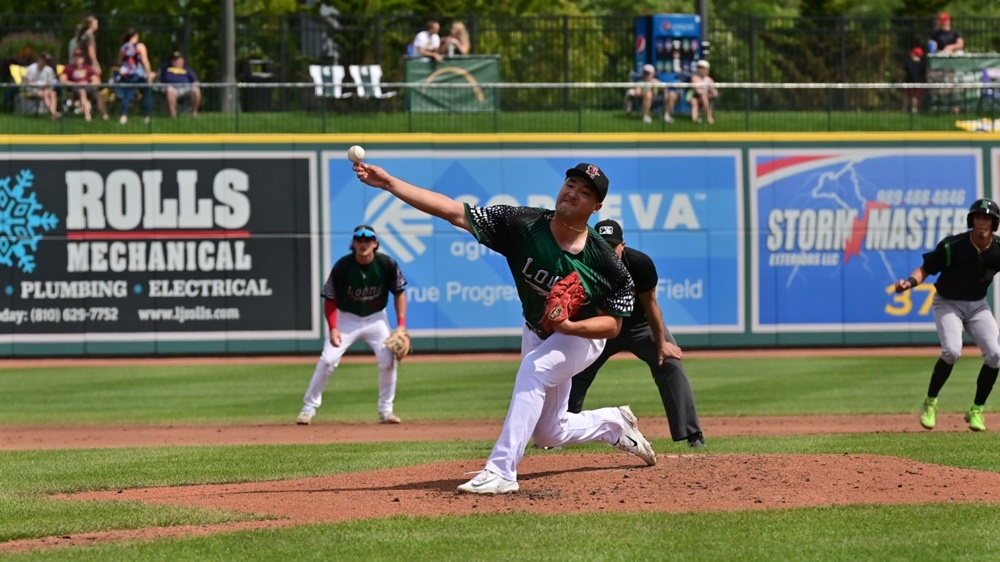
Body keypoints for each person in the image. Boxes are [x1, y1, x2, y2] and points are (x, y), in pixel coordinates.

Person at [353, 160, 656, 495]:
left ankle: (501, 471)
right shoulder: (522, 223)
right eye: (571, 183)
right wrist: (389, 183)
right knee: (549, 433)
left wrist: (568, 326)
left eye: (585, 192)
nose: (573, 192)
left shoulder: (605, 262)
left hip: (582, 336)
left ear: (596, 207)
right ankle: (614, 424)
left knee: (535, 369)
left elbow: (612, 326)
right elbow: (454, 212)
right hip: (537, 329)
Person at [568, 219, 705, 448]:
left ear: (623, 244)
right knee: (573, 370)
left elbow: (651, 306)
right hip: (601, 326)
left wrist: (661, 343)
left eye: (612, 245)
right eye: (601, 244)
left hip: (639, 325)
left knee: (669, 362)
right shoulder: (580, 263)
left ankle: (693, 435)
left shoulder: (639, 264)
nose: (608, 250)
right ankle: (556, 434)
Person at [897, 199, 1000, 433]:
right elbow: (926, 269)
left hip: (977, 306)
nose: (982, 222)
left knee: (995, 355)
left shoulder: (998, 249)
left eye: (987, 218)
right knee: (952, 351)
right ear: (971, 221)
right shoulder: (953, 246)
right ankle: (930, 403)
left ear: (994, 223)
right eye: (978, 217)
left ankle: (977, 409)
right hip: (948, 303)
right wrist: (909, 283)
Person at [296, 225, 408, 426]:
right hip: (346, 318)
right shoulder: (343, 266)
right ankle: (308, 409)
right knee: (328, 360)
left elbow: (399, 292)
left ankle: (386, 410)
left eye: (368, 240)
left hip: (376, 318)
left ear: (375, 244)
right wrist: (333, 327)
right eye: (359, 240)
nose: (363, 244)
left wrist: (401, 326)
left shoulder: (387, 264)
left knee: (388, 360)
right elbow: (330, 298)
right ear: (354, 243)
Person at [116, 28, 154, 125]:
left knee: (127, 95)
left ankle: (124, 116)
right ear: (136, 36)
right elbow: (145, 60)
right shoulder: (140, 46)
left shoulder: (123, 47)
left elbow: (119, 62)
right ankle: (147, 116)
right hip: (139, 73)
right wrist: (149, 73)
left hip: (126, 74)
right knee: (146, 93)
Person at [59, 48, 108, 121]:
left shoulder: (88, 68)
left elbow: (97, 81)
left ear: (83, 58)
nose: (78, 58)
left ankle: (105, 115)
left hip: (89, 87)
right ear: (74, 58)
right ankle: (87, 116)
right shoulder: (69, 68)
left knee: (98, 95)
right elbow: (62, 80)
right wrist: (77, 84)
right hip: (75, 89)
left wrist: (88, 84)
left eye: (80, 56)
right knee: (82, 91)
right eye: (76, 56)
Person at [158, 52, 201, 118]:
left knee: (196, 90)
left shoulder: (187, 70)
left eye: (177, 59)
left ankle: (194, 113)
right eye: (173, 59)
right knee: (170, 90)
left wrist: (196, 84)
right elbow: (156, 75)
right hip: (171, 88)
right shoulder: (165, 68)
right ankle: (173, 115)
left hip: (185, 88)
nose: (175, 61)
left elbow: (195, 81)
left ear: (182, 61)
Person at [23, 53, 61, 120]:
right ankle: (54, 113)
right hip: (32, 89)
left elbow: (51, 82)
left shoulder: (49, 70)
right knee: (44, 93)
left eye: (46, 61)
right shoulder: (32, 68)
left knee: (53, 94)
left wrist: (46, 86)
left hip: (46, 89)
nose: (44, 63)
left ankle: (53, 114)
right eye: (43, 60)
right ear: (39, 60)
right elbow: (28, 82)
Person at [688, 60, 718, 124]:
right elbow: (697, 91)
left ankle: (709, 117)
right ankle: (695, 120)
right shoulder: (694, 78)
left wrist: (712, 93)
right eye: (699, 68)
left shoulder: (710, 80)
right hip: (695, 96)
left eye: (703, 68)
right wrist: (704, 93)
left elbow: (715, 92)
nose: (701, 70)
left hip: (707, 97)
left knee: (704, 97)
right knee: (694, 101)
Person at [902, 46, 925, 114]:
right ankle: (914, 109)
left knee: (906, 96)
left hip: (908, 81)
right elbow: (923, 73)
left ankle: (905, 108)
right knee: (915, 96)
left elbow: (904, 71)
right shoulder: (921, 64)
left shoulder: (908, 62)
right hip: (917, 82)